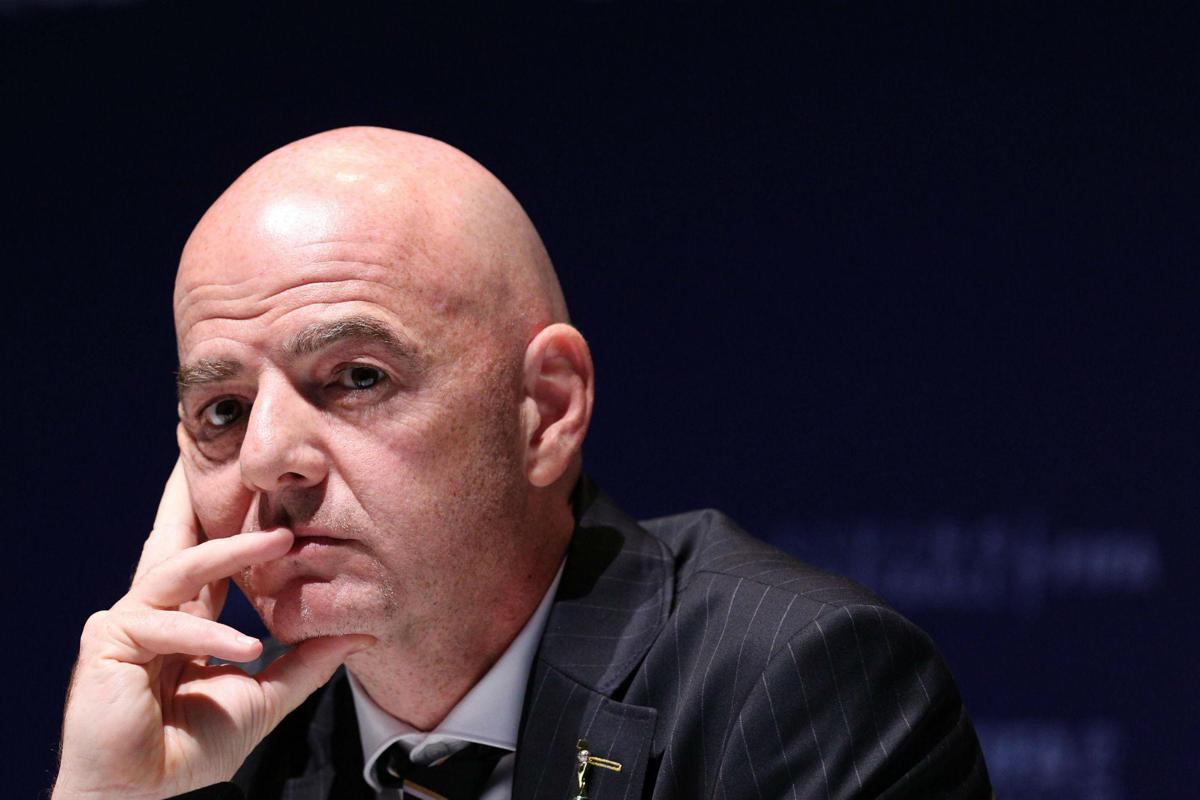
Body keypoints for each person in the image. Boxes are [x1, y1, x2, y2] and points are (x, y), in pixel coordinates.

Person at [53, 127, 992, 800]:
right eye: (222, 411)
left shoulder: (791, 688)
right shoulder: (212, 752)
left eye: (356, 377)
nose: (266, 459)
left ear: (546, 410)